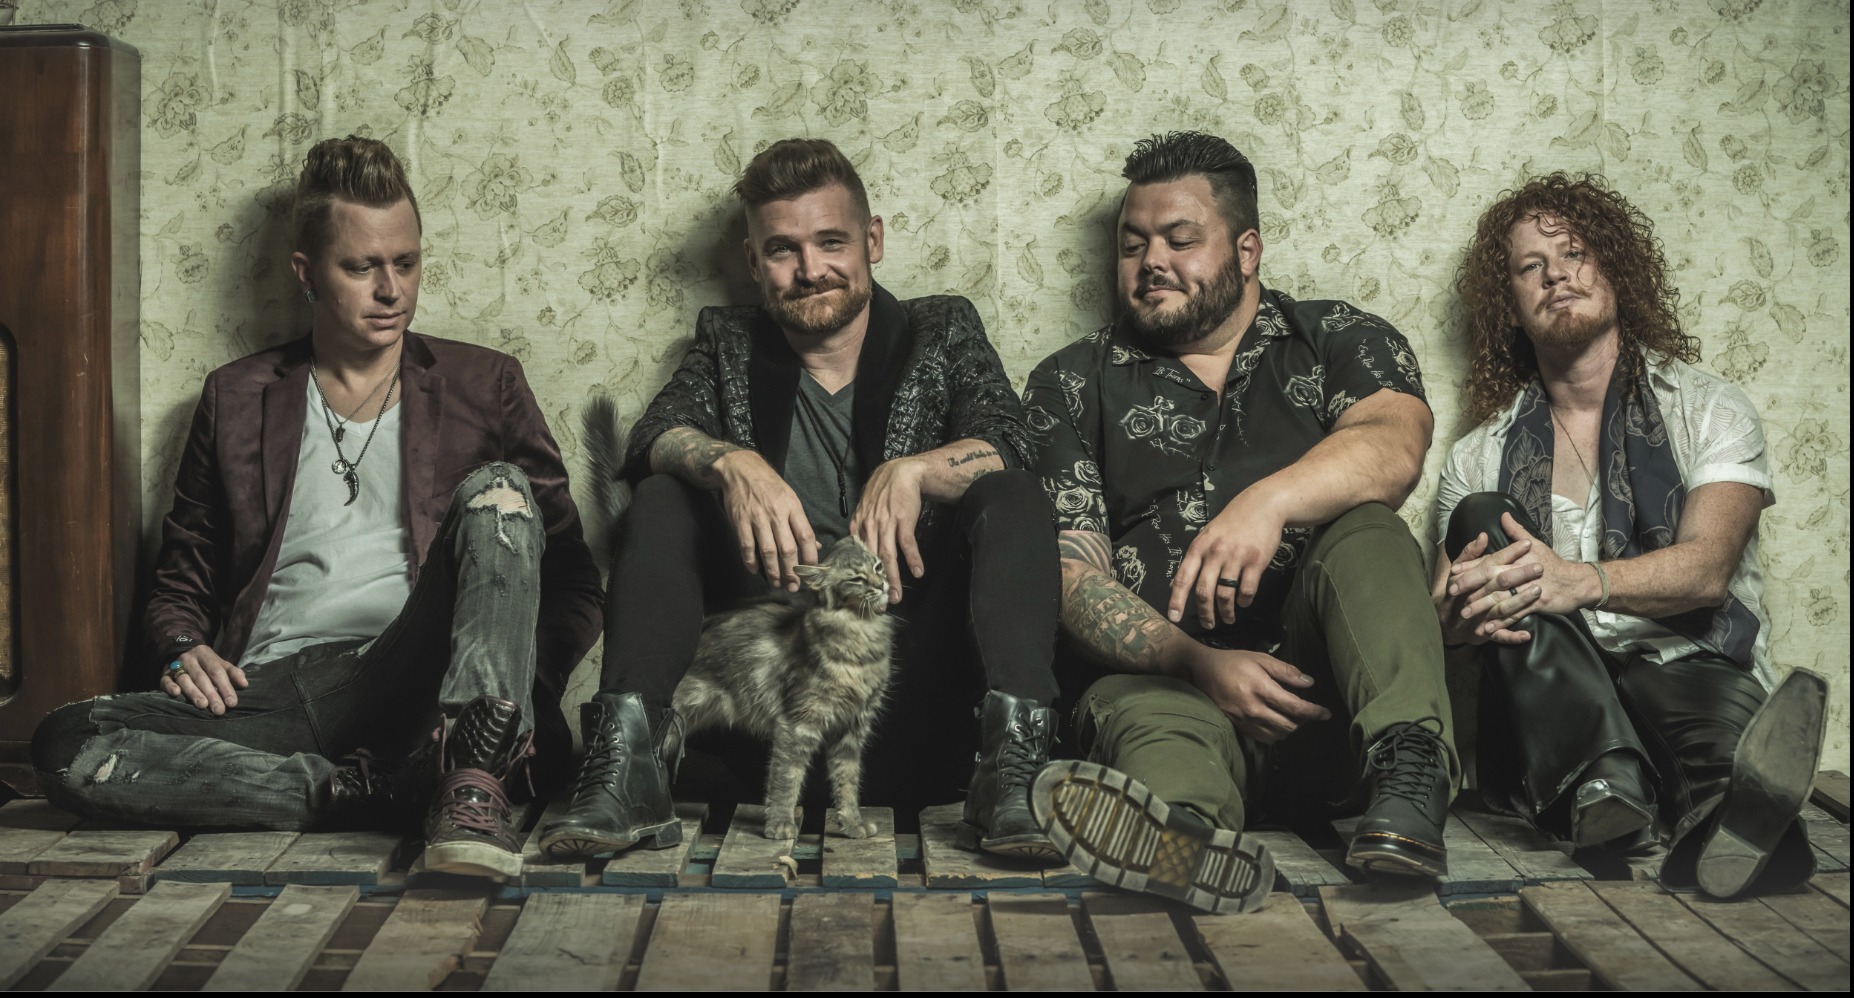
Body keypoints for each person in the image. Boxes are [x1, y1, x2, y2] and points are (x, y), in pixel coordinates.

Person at [28, 136, 603, 882]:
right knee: (69, 740)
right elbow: (184, 575)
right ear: (307, 274)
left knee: (500, 489)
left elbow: (572, 582)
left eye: (406, 262)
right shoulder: (237, 397)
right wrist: (179, 646)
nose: (391, 289)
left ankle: (472, 771)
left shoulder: (483, 384)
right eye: (362, 267)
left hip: (419, 673)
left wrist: (519, 688)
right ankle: (359, 792)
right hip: (277, 691)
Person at [539, 138, 1064, 861]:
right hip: (768, 701)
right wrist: (730, 461)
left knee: (1010, 493)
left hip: (912, 687)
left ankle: (1012, 773)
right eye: (783, 249)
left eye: (831, 241)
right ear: (753, 262)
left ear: (872, 240)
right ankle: (628, 769)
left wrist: (913, 471)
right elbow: (653, 436)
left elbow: (1012, 441)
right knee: (663, 495)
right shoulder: (728, 343)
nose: (811, 269)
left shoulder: (940, 330)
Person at [1022, 131, 1456, 914]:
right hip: (1172, 690)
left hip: (1331, 701)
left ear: (1247, 249)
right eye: (1132, 244)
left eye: (1180, 239)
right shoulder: (1070, 381)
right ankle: (1184, 844)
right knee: (1149, 722)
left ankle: (1409, 775)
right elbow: (1066, 571)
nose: (1151, 260)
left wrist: (1268, 502)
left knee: (1370, 534)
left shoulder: (1336, 338)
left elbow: (1395, 446)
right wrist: (1193, 661)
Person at [1434, 172, 1825, 898]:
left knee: (1708, 741)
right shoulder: (1478, 454)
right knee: (1480, 517)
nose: (1556, 272)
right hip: (1550, 697)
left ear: (1614, 268)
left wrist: (1579, 581)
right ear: (1509, 307)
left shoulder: (1709, 408)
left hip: (1691, 664)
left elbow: (1708, 571)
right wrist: (1456, 617)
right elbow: (1448, 612)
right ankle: (1604, 781)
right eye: (1530, 266)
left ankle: (1734, 818)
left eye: (1575, 252)